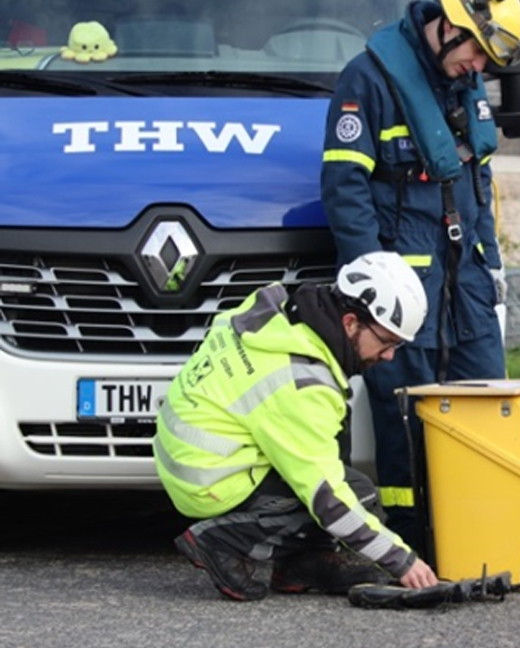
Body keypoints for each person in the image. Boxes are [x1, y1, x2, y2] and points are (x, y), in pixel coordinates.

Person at [320, 0, 520, 547]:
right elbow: (345, 185)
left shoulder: (460, 83)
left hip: (465, 282)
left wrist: (491, 260)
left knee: (487, 405)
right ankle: (410, 541)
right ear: (450, 29)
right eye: (474, 54)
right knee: (402, 421)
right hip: (400, 285)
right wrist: (369, 280)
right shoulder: (369, 79)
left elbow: (476, 180)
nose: (477, 69)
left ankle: (486, 534)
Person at [155, 252, 440, 601]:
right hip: (209, 481)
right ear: (351, 323)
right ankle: (220, 540)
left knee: (341, 475)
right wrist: (402, 561)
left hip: (189, 457)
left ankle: (301, 566)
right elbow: (329, 499)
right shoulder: (301, 383)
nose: (389, 356)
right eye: (386, 342)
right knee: (355, 497)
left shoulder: (280, 315)